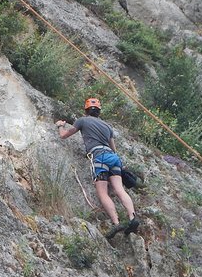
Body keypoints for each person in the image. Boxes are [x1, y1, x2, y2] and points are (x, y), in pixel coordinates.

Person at [56, 98, 140, 239]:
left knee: (102, 193)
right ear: (99, 112)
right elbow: (114, 149)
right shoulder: (108, 127)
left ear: (86, 110)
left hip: (99, 157)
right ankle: (132, 217)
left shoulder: (82, 120)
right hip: (113, 158)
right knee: (119, 190)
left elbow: (64, 135)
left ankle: (116, 222)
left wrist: (59, 125)